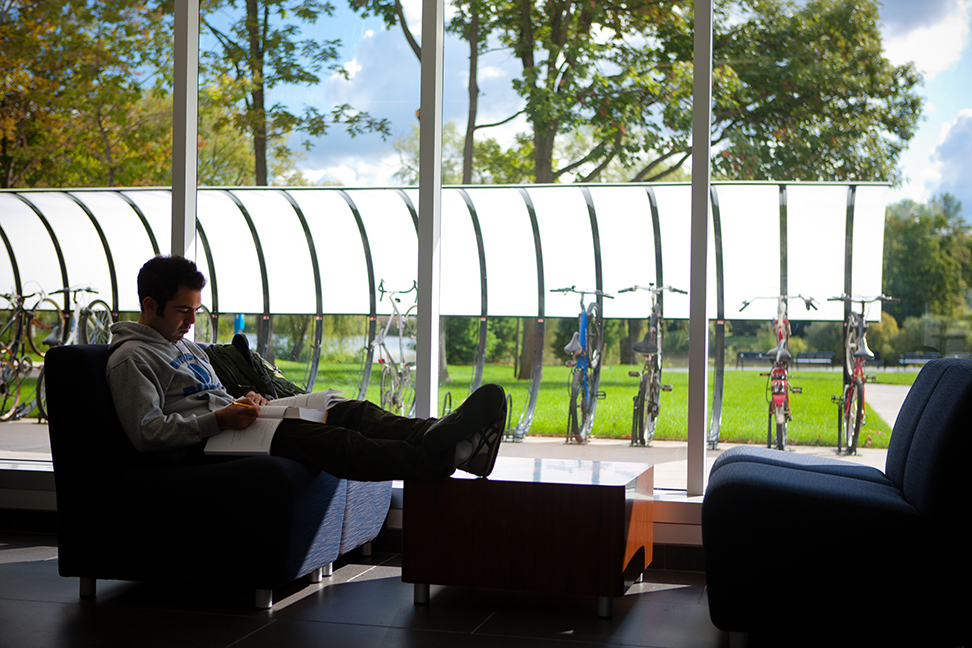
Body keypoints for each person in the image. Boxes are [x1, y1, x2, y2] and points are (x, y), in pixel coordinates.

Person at [105, 255, 506, 481]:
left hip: (229, 428)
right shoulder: (130, 358)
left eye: (196, 310)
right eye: (182, 311)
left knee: (347, 411)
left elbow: (212, 399)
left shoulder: (186, 346)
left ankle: (434, 432)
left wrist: (245, 401)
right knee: (324, 439)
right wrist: (220, 420)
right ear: (149, 305)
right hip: (202, 448)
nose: (191, 321)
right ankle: (449, 455)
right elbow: (147, 433)